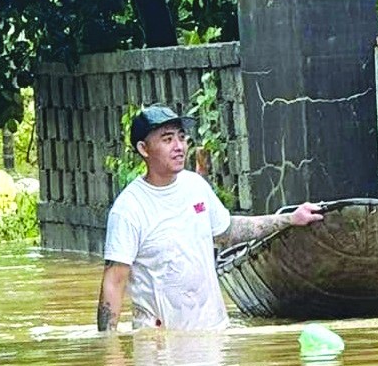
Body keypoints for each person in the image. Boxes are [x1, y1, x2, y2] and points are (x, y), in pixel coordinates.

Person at [97, 105, 322, 331]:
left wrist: (290, 219)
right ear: (144, 149)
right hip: (160, 348)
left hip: (212, 335)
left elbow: (227, 231)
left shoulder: (195, 186)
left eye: (182, 138)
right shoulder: (129, 209)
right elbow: (114, 282)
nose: (179, 147)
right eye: (167, 140)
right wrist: (109, 350)